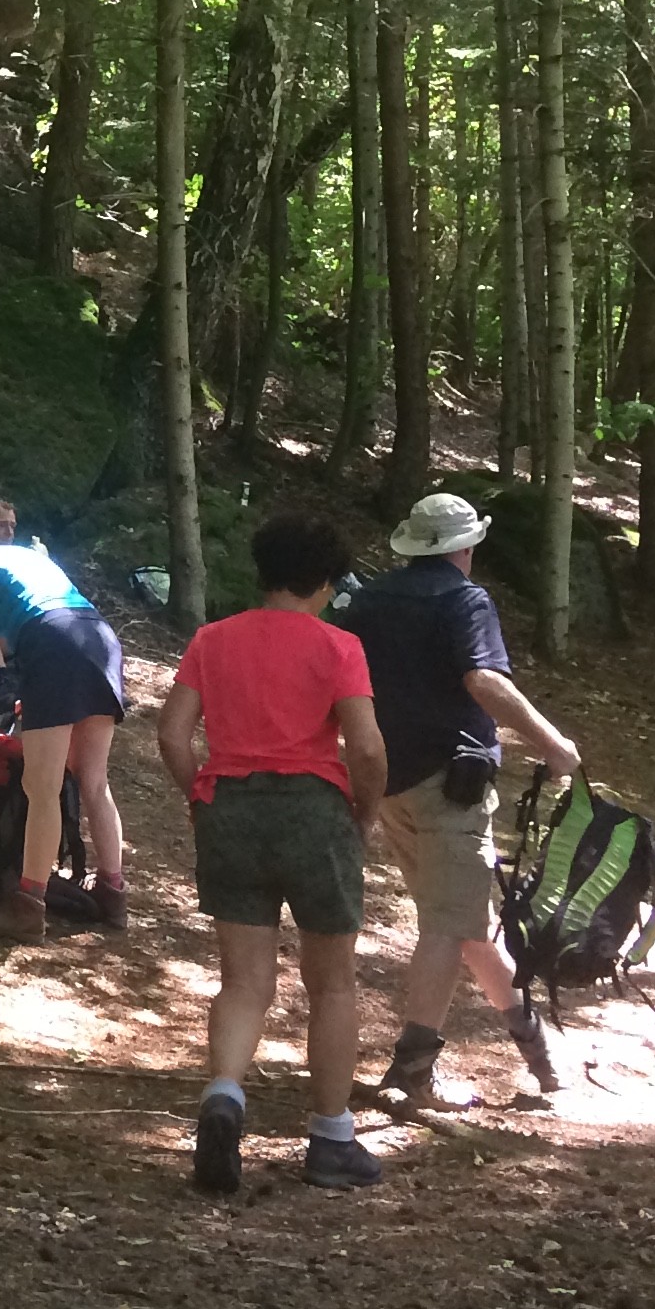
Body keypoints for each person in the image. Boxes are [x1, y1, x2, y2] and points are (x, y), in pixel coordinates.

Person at [156, 511, 392, 1194]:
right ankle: (330, 1138)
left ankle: (225, 1095)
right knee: (333, 982)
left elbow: (173, 735)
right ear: (324, 580)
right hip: (313, 812)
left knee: (244, 981)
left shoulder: (212, 639)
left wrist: (201, 795)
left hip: (230, 808)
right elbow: (368, 748)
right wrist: (364, 812)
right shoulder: (338, 646)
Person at [339, 492, 580, 1109]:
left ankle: (537, 1051)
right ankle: (413, 1071)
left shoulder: (368, 601)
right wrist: (554, 746)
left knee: (463, 921)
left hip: (387, 781)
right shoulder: (465, 599)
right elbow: (483, 679)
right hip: (451, 786)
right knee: (450, 924)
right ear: (465, 548)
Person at [0, 532, 129, 935]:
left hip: (54, 645)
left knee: (42, 787)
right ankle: (113, 894)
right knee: (94, 780)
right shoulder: (15, 556)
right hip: (98, 636)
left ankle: (27, 907)